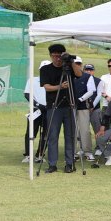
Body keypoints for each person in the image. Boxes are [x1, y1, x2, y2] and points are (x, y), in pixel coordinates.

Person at [39, 44, 76, 173]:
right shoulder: (45, 69)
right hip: (54, 106)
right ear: (50, 56)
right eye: (54, 56)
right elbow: (46, 86)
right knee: (52, 136)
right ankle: (52, 164)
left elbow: (79, 74)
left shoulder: (69, 67)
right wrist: (60, 86)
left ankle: (70, 163)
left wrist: (71, 61)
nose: (57, 59)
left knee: (70, 136)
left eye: (59, 56)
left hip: (70, 106)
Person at [23, 60, 50, 163]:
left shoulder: (54, 82)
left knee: (45, 134)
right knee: (30, 133)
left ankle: (40, 155)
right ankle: (28, 155)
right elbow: (27, 94)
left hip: (48, 110)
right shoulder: (32, 80)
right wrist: (38, 104)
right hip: (35, 110)